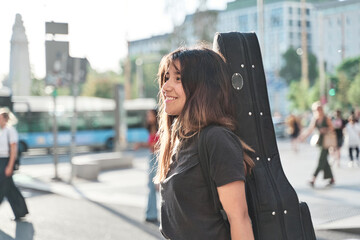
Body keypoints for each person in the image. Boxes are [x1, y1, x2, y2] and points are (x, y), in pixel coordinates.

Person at [155, 47, 255, 240]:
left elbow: (239, 219)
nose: (165, 87)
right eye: (166, 77)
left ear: (203, 87)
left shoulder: (216, 139)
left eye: (178, 78)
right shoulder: (182, 141)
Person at [0, 108, 29, 220]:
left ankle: (21, 211)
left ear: (5, 119)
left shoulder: (10, 131)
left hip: (6, 161)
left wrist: (10, 166)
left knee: (4, 186)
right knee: (9, 188)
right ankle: (21, 211)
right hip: (1, 161)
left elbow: (13, 150)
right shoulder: (1, 131)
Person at [298, 101, 335, 187]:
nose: (318, 111)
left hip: (327, 142)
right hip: (320, 142)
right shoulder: (316, 119)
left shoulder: (326, 118)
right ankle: (332, 178)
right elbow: (310, 129)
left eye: (319, 109)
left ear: (322, 109)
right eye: (316, 109)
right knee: (324, 160)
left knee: (321, 160)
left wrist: (325, 130)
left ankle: (313, 179)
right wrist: (303, 136)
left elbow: (332, 129)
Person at [134, 109, 159, 224]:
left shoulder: (161, 129)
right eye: (147, 115)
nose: (148, 117)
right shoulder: (151, 129)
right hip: (152, 157)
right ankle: (151, 214)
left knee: (158, 188)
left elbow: (156, 146)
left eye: (150, 115)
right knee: (151, 187)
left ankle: (154, 214)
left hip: (158, 158)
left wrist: (141, 144)